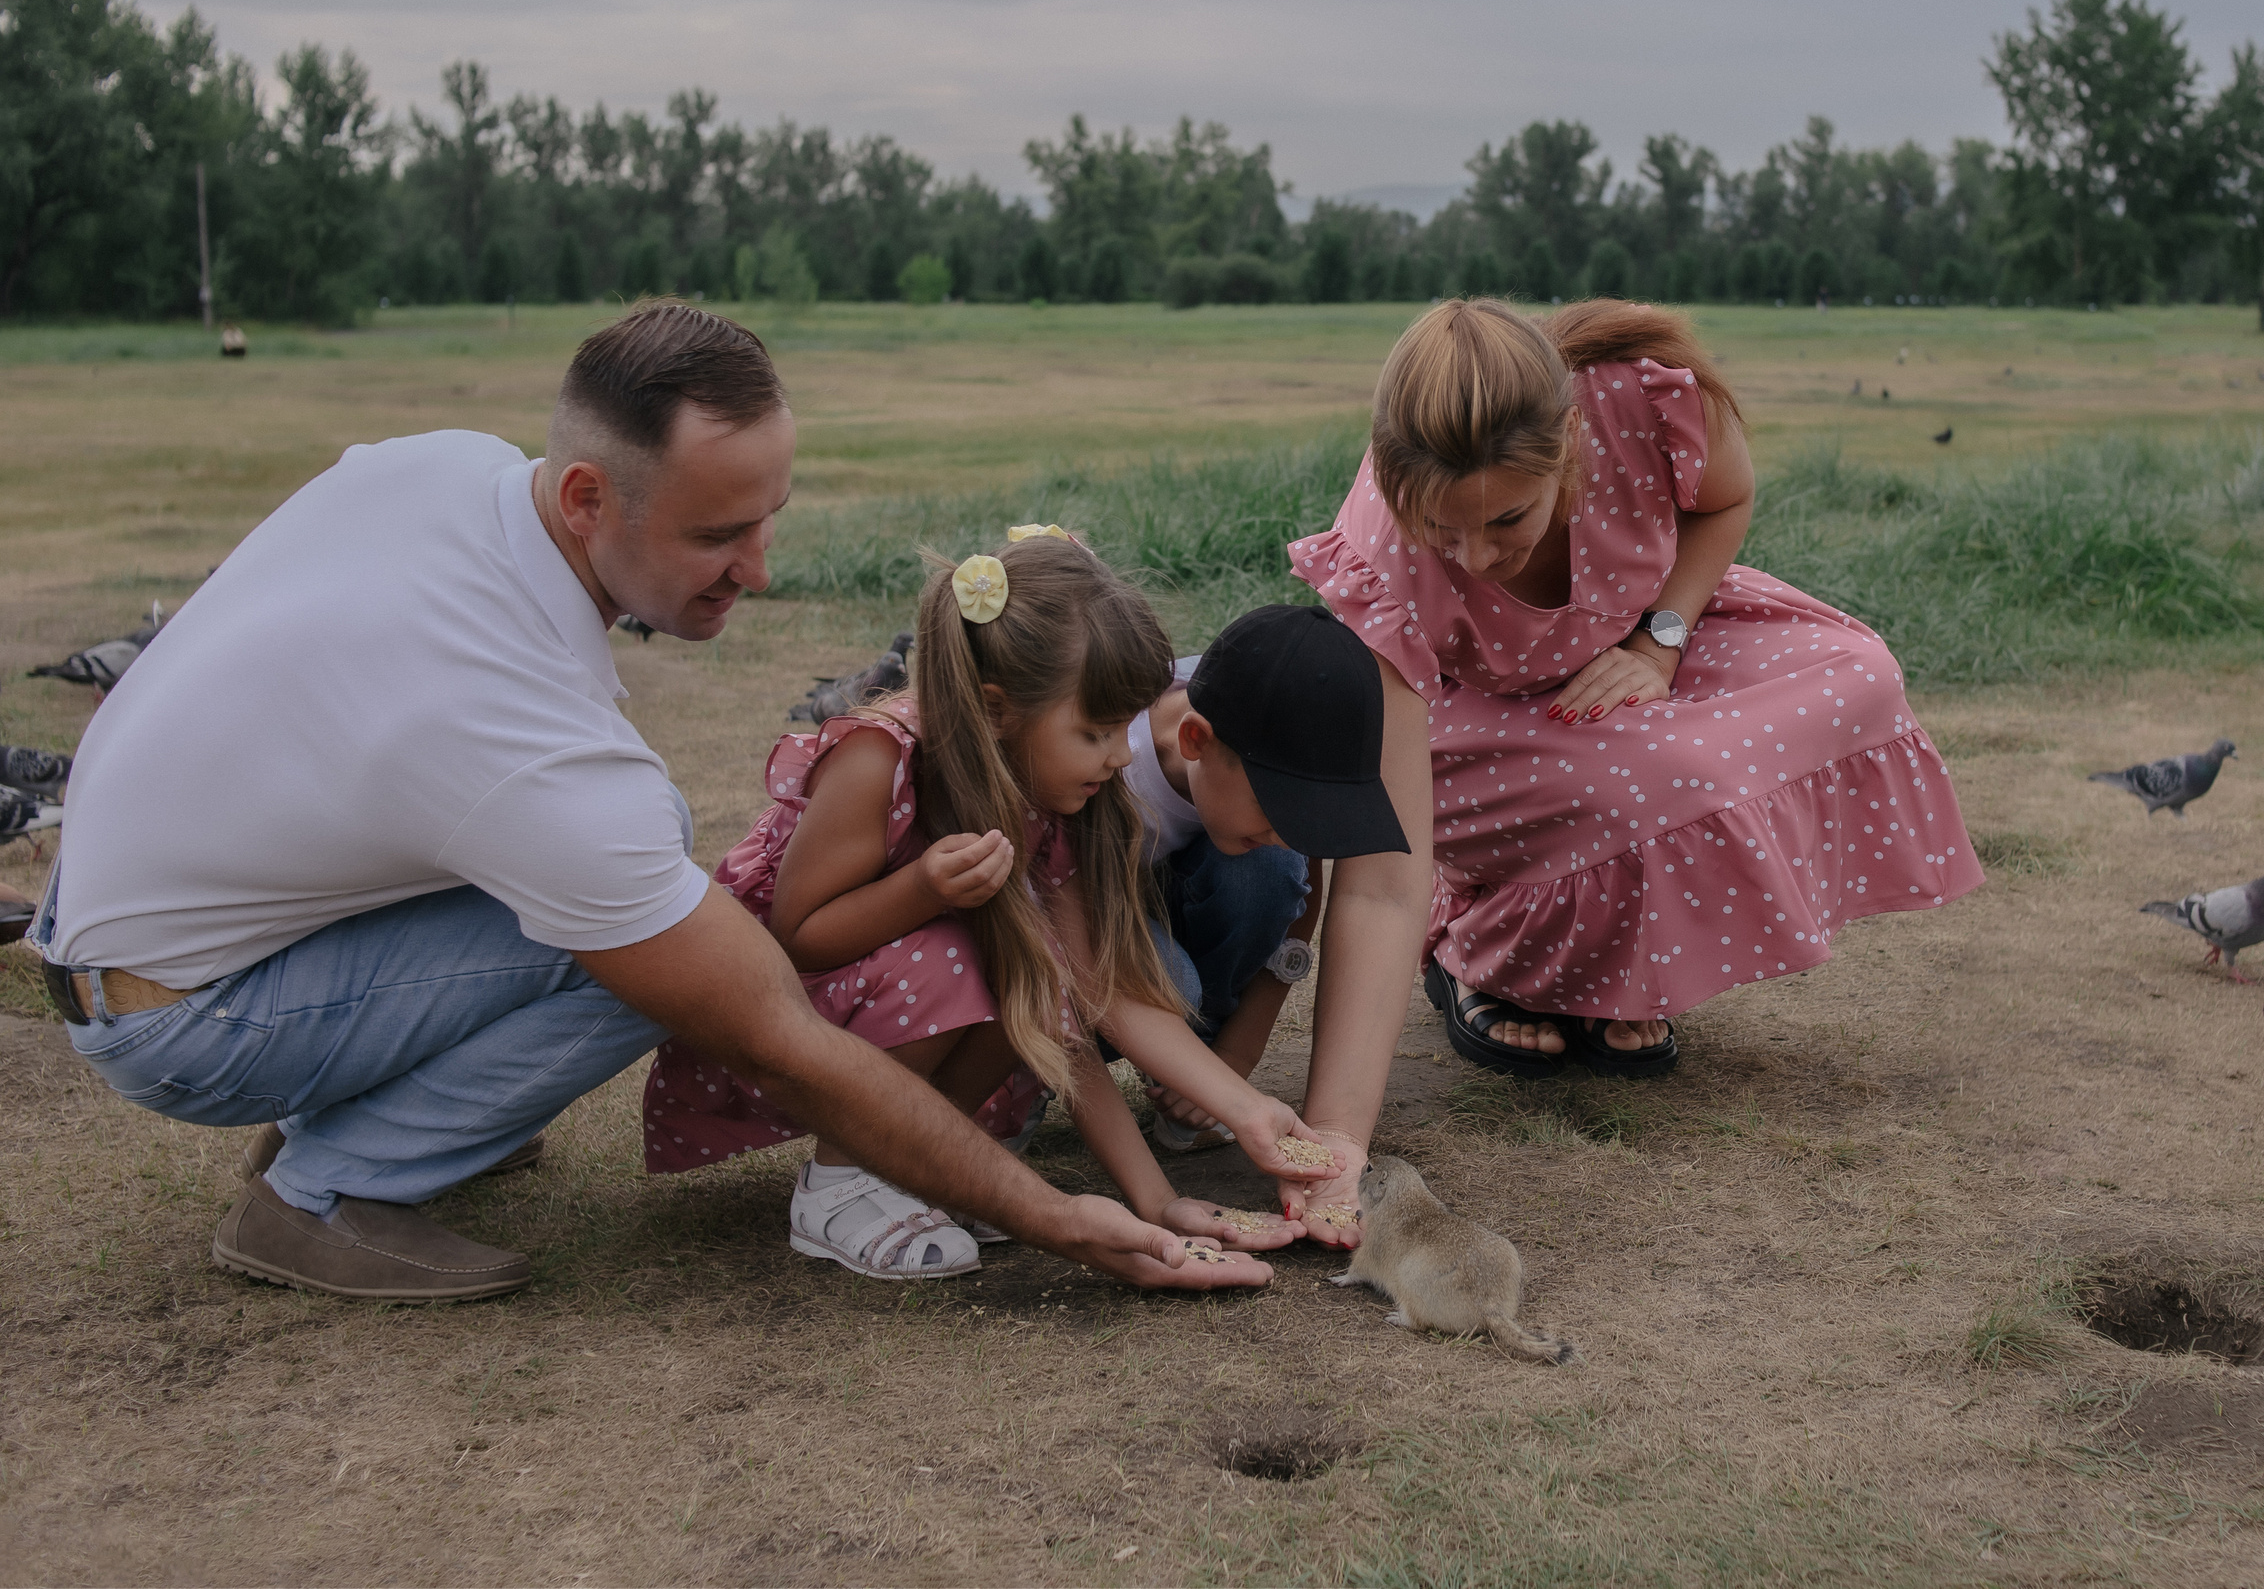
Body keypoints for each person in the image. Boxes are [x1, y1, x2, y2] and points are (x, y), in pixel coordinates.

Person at [29, 300, 1262, 1302]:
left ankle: (390, 1107)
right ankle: (323, 1189)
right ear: (587, 499)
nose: (761, 571)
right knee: (648, 940)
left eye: (769, 518)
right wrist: (1059, 1217)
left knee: (634, 864)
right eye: (719, 533)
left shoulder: (452, 470)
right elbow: (770, 1029)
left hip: (142, 920)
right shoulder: (520, 732)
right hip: (179, 1017)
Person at [1288, 296, 1982, 1081]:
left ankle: (1608, 973)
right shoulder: (1381, 551)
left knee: (1861, 678)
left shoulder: (1635, 400)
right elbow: (1385, 846)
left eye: (1506, 521)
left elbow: (1726, 497)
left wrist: (1660, 642)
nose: (1473, 558)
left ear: (1570, 451)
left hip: (1636, 641)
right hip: (1459, 727)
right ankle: (1479, 952)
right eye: (1442, 530)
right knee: (1659, 777)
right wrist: (1336, 1127)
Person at [641, 534, 1338, 1277]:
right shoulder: (879, 760)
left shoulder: (1053, 800)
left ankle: (919, 1167)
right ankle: (839, 1184)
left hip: (898, 1011)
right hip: (796, 1008)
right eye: (1097, 732)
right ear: (999, 710)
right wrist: (920, 891)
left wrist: (1160, 1197)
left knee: (1029, 970)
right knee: (964, 951)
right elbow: (797, 936)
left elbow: (1082, 997)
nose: (1123, 756)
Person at [1120, 604, 1414, 1153]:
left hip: (1154, 897)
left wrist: (1235, 1057)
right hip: (1069, 922)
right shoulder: (1112, 770)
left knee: (1275, 869)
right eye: (1276, 806)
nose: (1288, 832)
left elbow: (1299, 901)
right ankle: (1023, 1083)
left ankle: (1194, 1072)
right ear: (1194, 741)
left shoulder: (1260, 720)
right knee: (1172, 984)